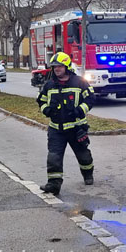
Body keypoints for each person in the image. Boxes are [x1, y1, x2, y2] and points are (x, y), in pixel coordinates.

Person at [37, 52, 96, 195]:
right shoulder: (49, 85)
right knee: (54, 157)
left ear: (67, 67)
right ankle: (53, 184)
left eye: (60, 66)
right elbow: (41, 101)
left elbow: (90, 99)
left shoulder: (79, 82)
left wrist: (79, 111)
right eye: (55, 67)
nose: (57, 69)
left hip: (76, 128)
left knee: (83, 155)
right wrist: (47, 111)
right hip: (56, 129)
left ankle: (88, 174)